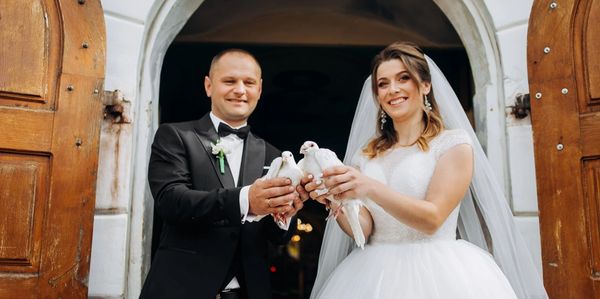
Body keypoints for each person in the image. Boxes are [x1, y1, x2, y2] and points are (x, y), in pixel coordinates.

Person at [308, 42, 548, 298]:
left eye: (404, 78)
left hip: (438, 272)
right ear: (377, 96)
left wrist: (368, 186)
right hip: (371, 274)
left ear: (425, 85)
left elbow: (433, 219)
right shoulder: (366, 154)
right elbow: (364, 229)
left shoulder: (453, 145)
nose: (393, 89)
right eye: (383, 83)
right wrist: (336, 202)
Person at [140, 49, 309, 299]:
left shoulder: (273, 155)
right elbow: (170, 201)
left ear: (259, 90)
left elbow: (276, 239)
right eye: (229, 81)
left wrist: (284, 215)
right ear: (209, 86)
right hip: (183, 288)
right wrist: (245, 200)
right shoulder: (175, 136)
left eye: (249, 83)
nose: (240, 90)